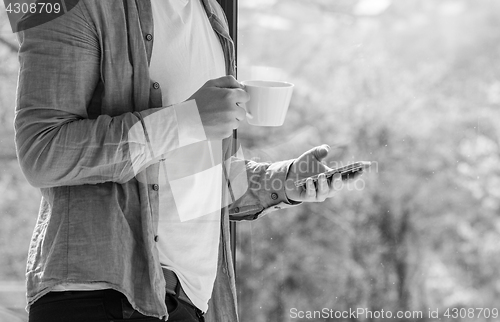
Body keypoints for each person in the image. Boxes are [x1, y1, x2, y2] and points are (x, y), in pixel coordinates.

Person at [14, 0, 344, 321]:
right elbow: (42, 152)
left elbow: (188, 179)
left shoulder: (212, 14)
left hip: (188, 304)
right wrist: (187, 119)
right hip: (102, 298)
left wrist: (282, 180)